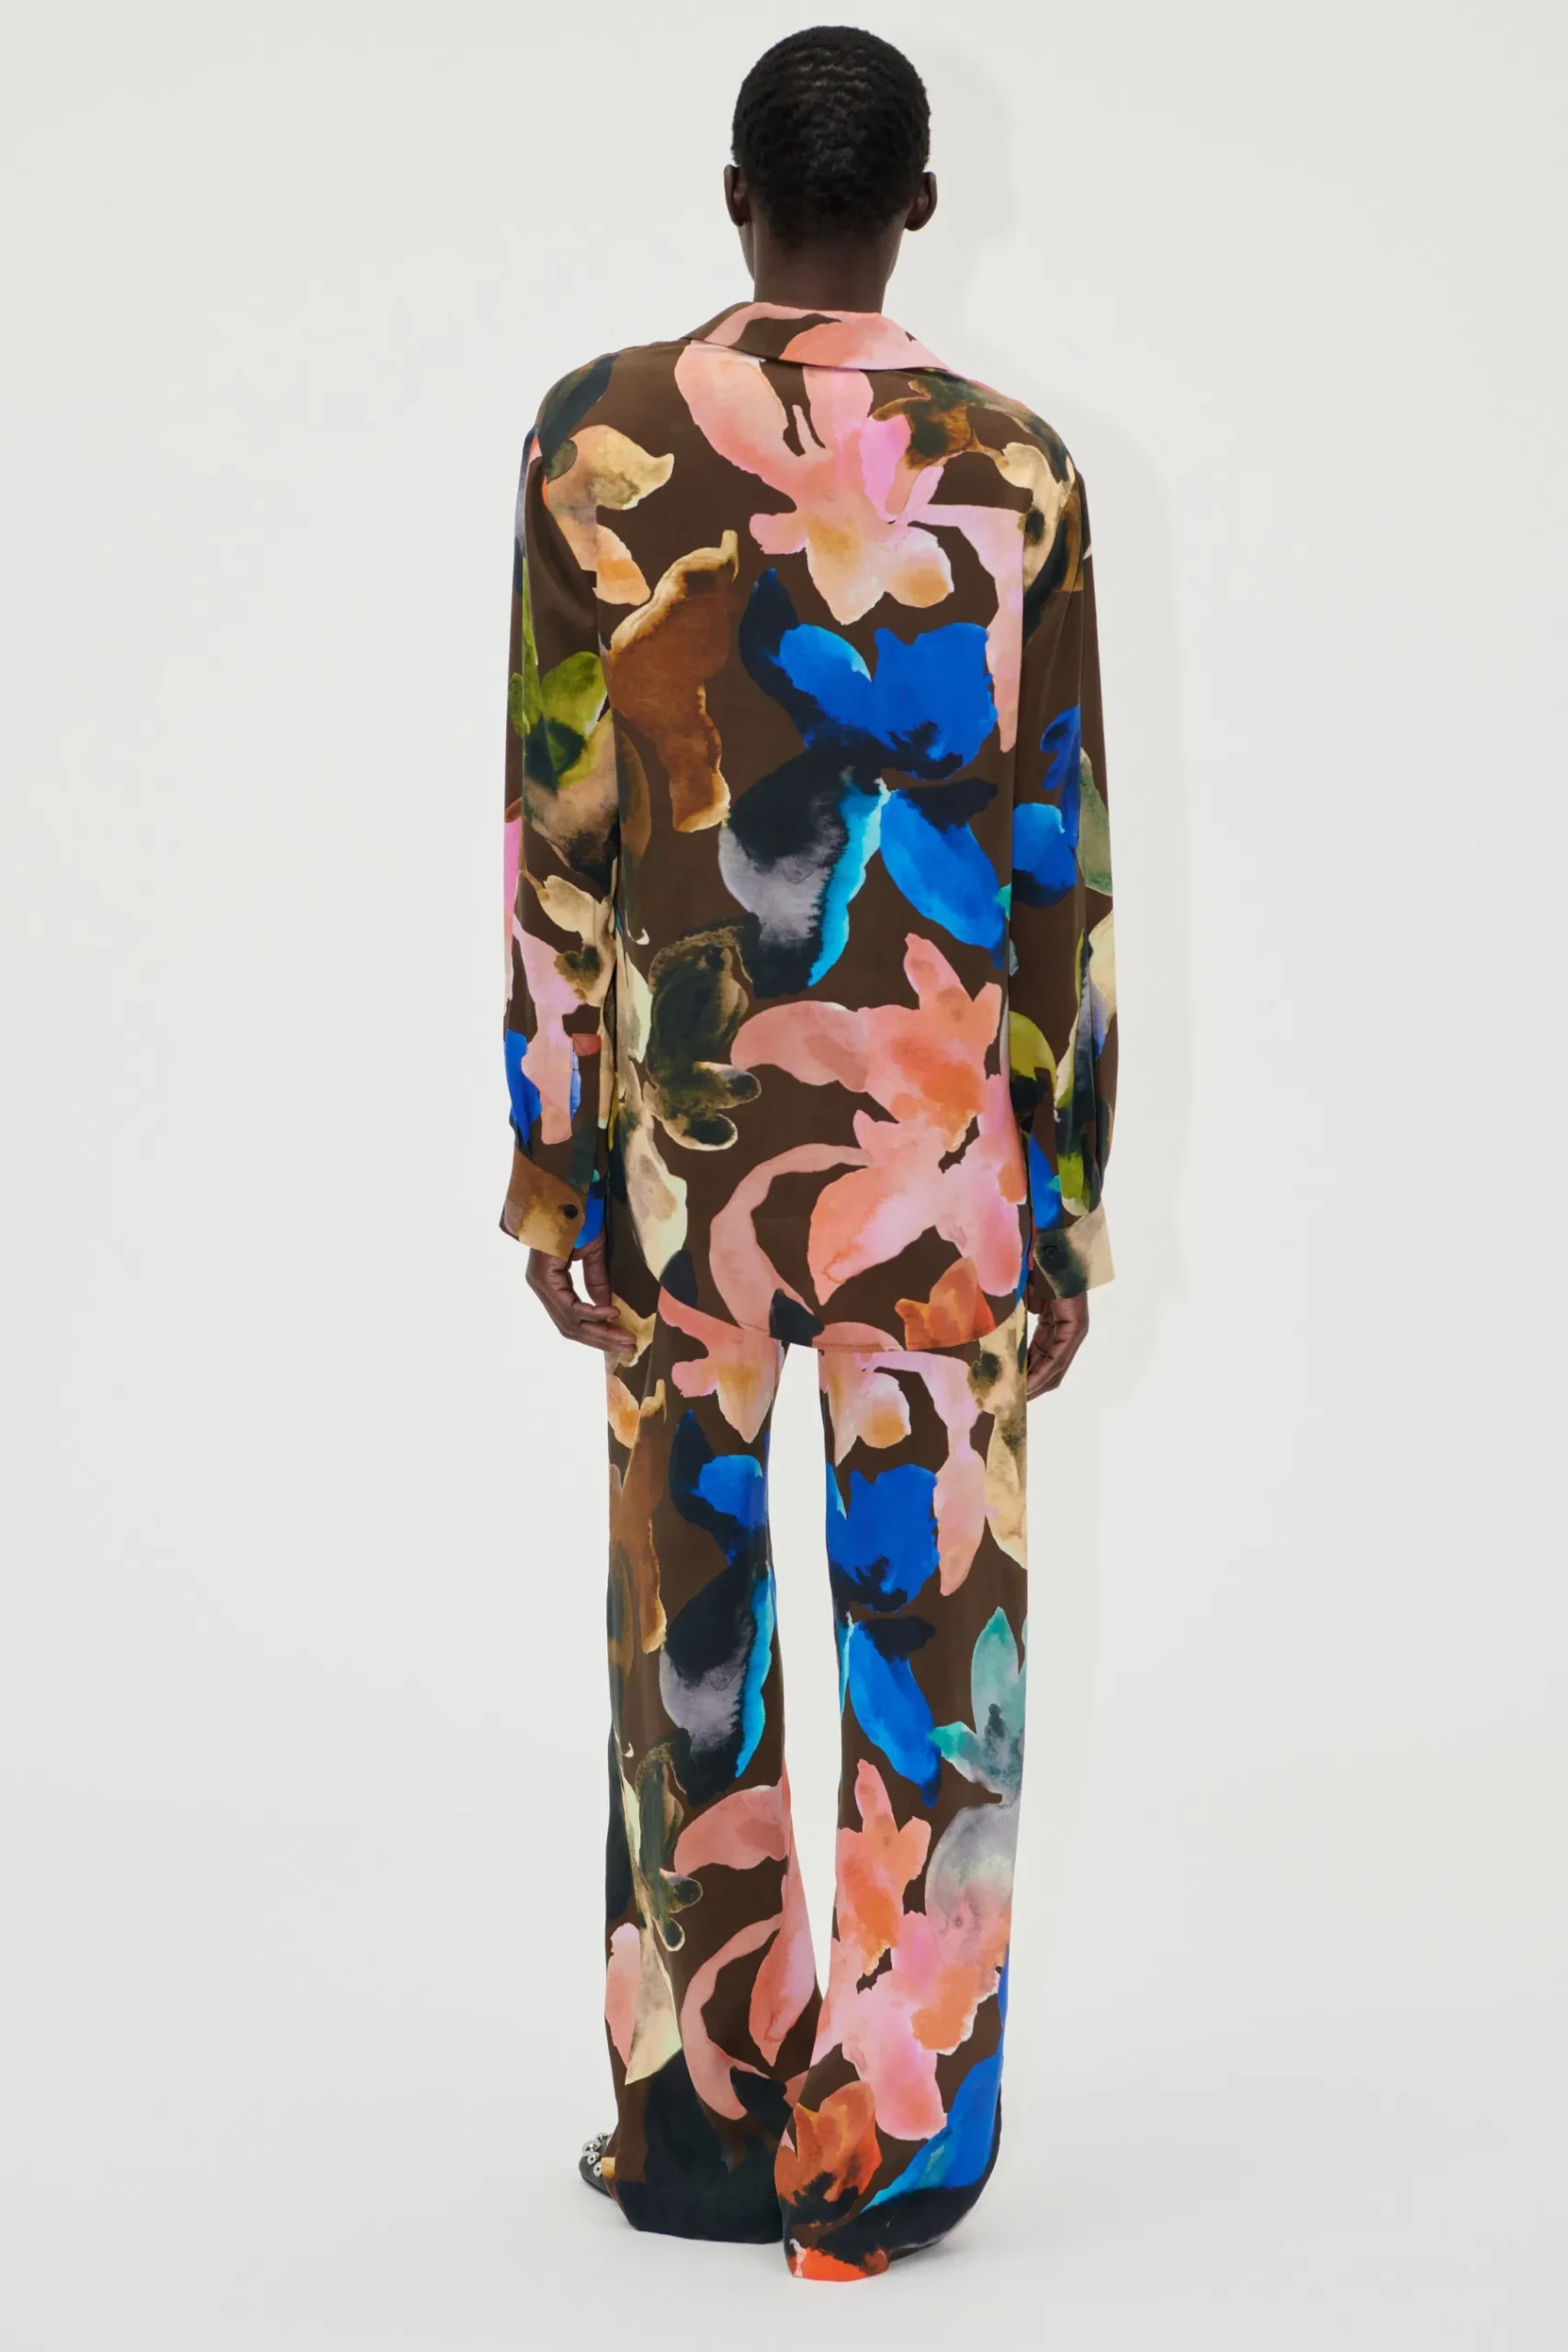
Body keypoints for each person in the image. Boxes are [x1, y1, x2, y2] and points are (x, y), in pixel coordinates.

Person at [500, 24, 1117, 2282]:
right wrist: (1065, 1189)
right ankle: (893, 2160)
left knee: (687, 1642)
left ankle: (697, 2132)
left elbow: (556, 814)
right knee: (933, 1661)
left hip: (681, 1161)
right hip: (935, 1163)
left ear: (735, 194)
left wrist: (552, 1148)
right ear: (918, 206)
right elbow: (1053, 856)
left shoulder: (594, 437)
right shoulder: (1016, 469)